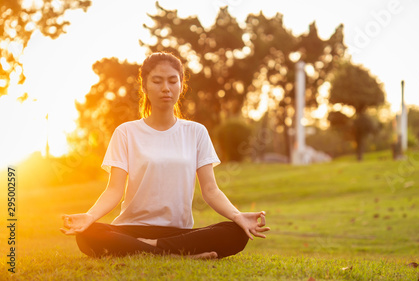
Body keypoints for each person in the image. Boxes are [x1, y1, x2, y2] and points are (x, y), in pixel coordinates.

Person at [60, 52, 270, 259]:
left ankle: (148, 248)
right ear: (145, 87)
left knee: (235, 233)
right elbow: (113, 190)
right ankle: (177, 256)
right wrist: (89, 216)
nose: (165, 88)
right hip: (131, 229)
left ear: (181, 85)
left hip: (178, 232)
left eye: (172, 81)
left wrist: (237, 216)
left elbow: (210, 190)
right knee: (87, 235)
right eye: (157, 81)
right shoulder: (126, 132)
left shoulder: (196, 132)